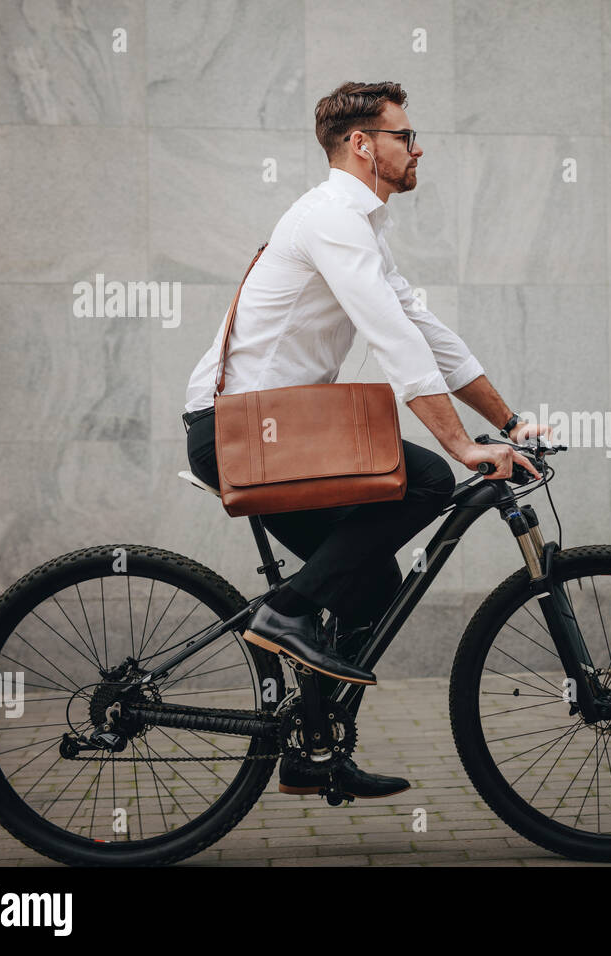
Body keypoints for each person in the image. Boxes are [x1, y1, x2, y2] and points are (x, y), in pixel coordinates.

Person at [183, 81, 547, 799]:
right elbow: (390, 339)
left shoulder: (363, 229)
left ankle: (312, 751)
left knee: (370, 584)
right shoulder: (330, 218)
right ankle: (284, 613)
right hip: (239, 434)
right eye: (405, 136)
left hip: (279, 434)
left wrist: (506, 423)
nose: (418, 148)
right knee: (430, 481)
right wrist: (459, 449)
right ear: (362, 144)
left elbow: (429, 335)